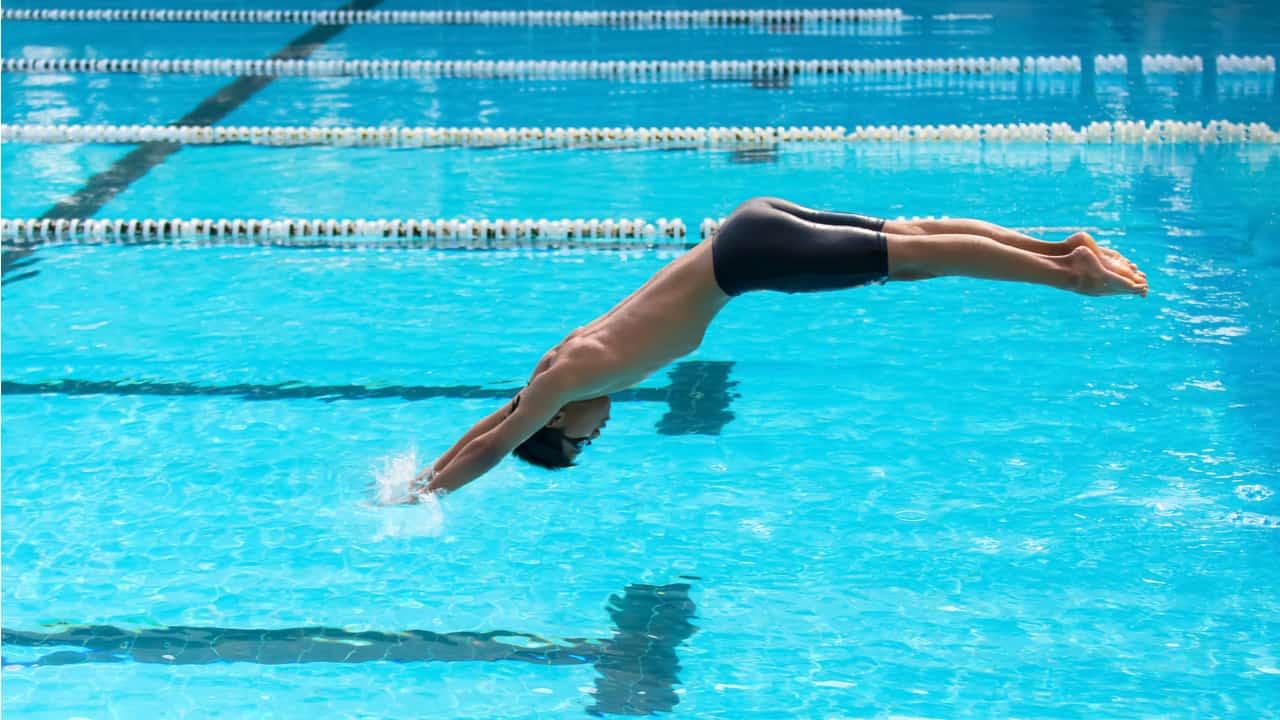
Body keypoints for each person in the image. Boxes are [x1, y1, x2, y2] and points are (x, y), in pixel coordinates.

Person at [409, 197, 1147, 498]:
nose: (598, 432)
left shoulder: (569, 378)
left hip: (749, 262)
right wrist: (431, 464)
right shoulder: (562, 359)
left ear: (558, 423)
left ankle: (1068, 275)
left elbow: (498, 441)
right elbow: (496, 422)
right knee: (910, 240)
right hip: (746, 230)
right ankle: (1058, 247)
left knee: (916, 258)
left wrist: (425, 491)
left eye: (581, 444)